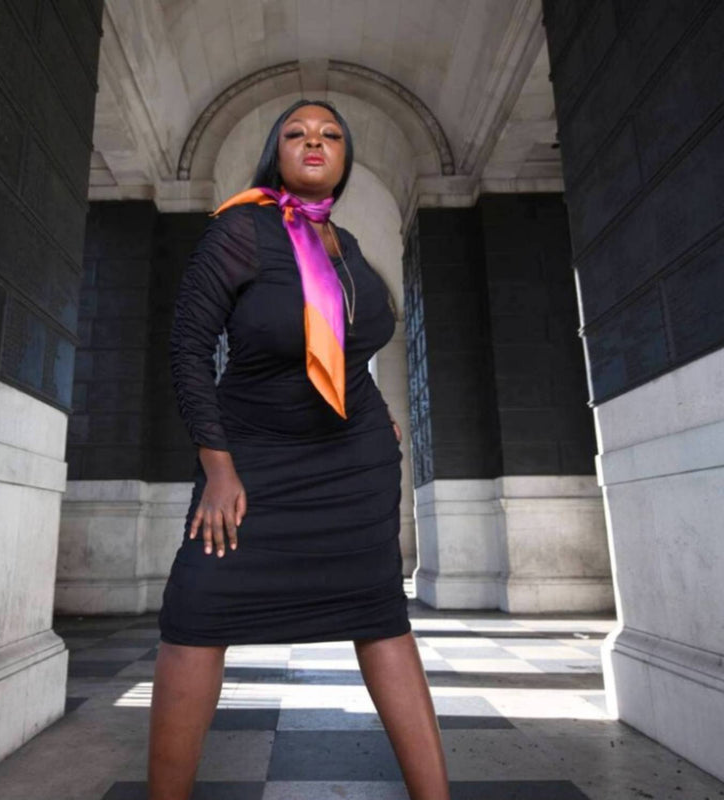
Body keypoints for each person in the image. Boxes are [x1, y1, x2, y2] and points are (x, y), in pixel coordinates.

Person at [148, 98, 450, 800]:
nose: (314, 142)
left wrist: (377, 417)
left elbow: (352, 348)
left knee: (380, 616)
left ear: (345, 156)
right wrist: (216, 466)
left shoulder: (348, 246)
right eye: (297, 133)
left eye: (330, 134)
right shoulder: (240, 230)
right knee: (195, 612)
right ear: (275, 152)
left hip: (354, 466)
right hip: (251, 463)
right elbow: (189, 349)